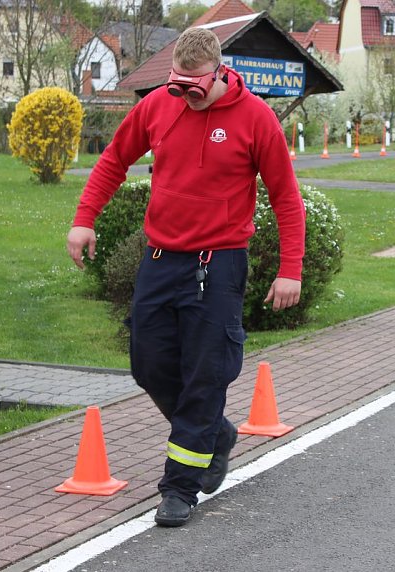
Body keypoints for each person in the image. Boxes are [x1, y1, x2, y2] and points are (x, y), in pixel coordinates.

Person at [66, 27, 306, 527]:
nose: (185, 94)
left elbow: (285, 197)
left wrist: (290, 270)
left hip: (218, 263)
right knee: (148, 365)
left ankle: (180, 486)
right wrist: (84, 218)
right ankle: (214, 434)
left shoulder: (256, 119)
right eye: (178, 83)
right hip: (161, 259)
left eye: (195, 85)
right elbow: (114, 160)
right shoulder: (157, 105)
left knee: (205, 374)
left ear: (218, 72)